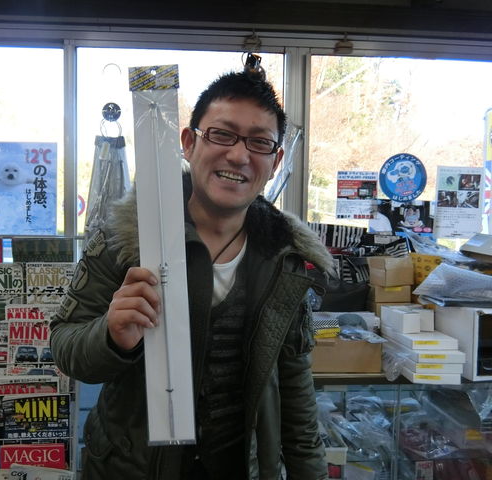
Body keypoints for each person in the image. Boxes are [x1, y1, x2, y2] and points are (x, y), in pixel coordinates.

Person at [50, 68, 334, 480]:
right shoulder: (127, 238)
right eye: (222, 134)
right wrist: (110, 335)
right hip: (132, 469)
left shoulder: (285, 260)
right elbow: (64, 345)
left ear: (276, 161)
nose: (238, 156)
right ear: (188, 142)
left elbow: (295, 392)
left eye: (259, 142)